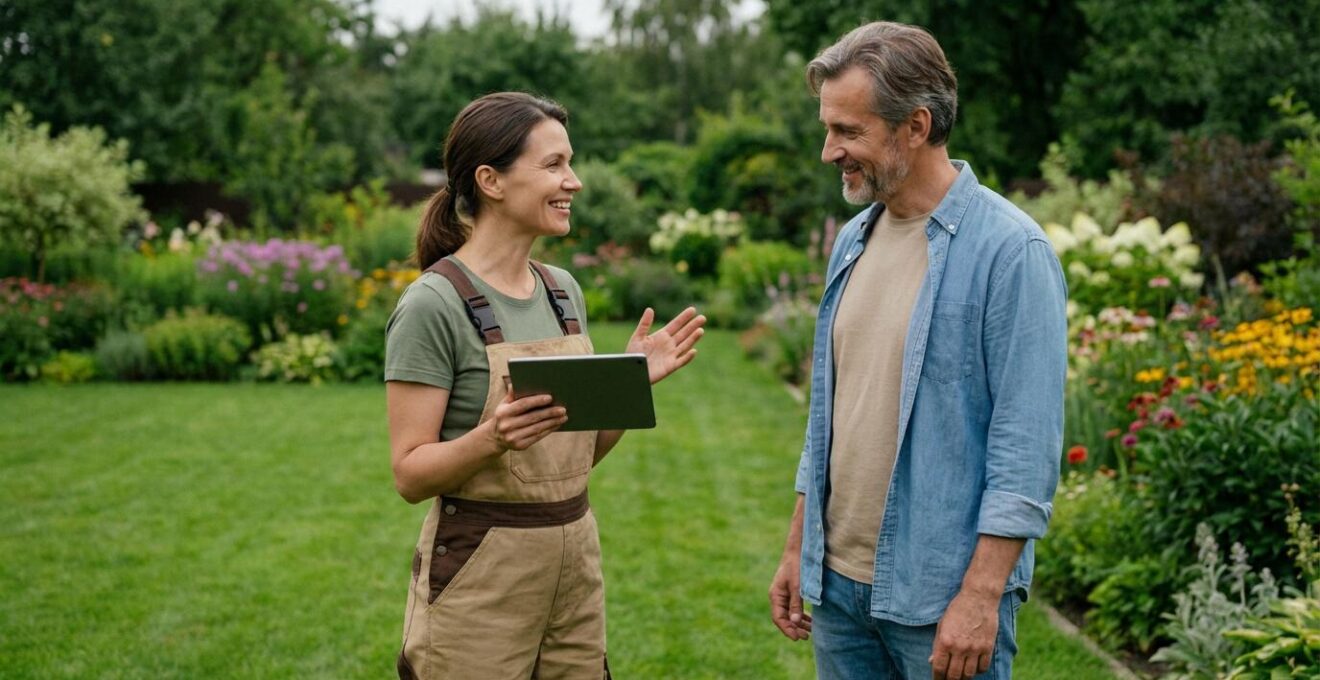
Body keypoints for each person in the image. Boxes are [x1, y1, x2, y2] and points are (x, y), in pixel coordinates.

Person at [766, 21, 1068, 680]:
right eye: (828, 128)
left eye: (849, 132)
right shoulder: (852, 240)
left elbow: (1026, 448)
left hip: (940, 595)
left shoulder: (1011, 253)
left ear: (916, 125)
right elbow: (831, 415)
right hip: (839, 592)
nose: (829, 151)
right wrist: (799, 548)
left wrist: (982, 596)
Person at [385, 92, 705, 679]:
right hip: (481, 574)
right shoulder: (433, 304)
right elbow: (409, 474)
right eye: (554, 165)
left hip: (574, 565)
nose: (574, 182)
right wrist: (492, 437)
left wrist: (632, 382)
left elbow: (575, 460)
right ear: (491, 181)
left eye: (571, 162)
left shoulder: (562, 293)